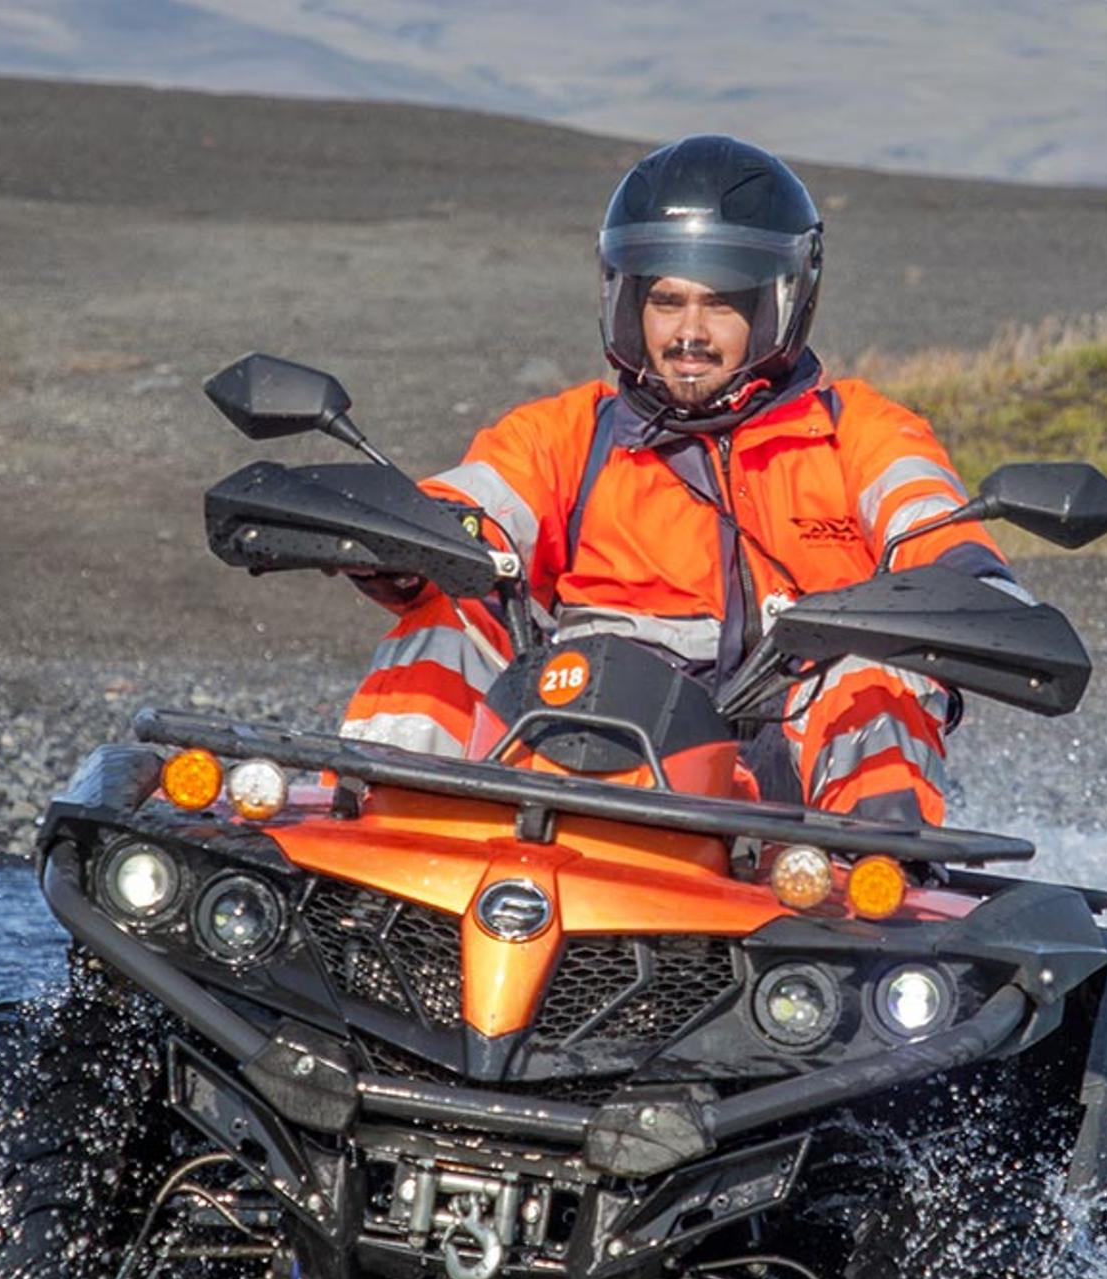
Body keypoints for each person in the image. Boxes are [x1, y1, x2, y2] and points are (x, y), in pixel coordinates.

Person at [338, 133, 1003, 824]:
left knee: (876, 671)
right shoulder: (571, 433)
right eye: (666, 301)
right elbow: (471, 501)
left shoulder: (858, 431)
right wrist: (399, 543)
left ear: (776, 303)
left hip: (786, 806)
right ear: (629, 304)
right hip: (581, 744)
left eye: (720, 303)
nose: (690, 332)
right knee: (450, 615)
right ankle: (378, 865)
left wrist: (975, 587)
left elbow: (930, 521)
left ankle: (877, 900)